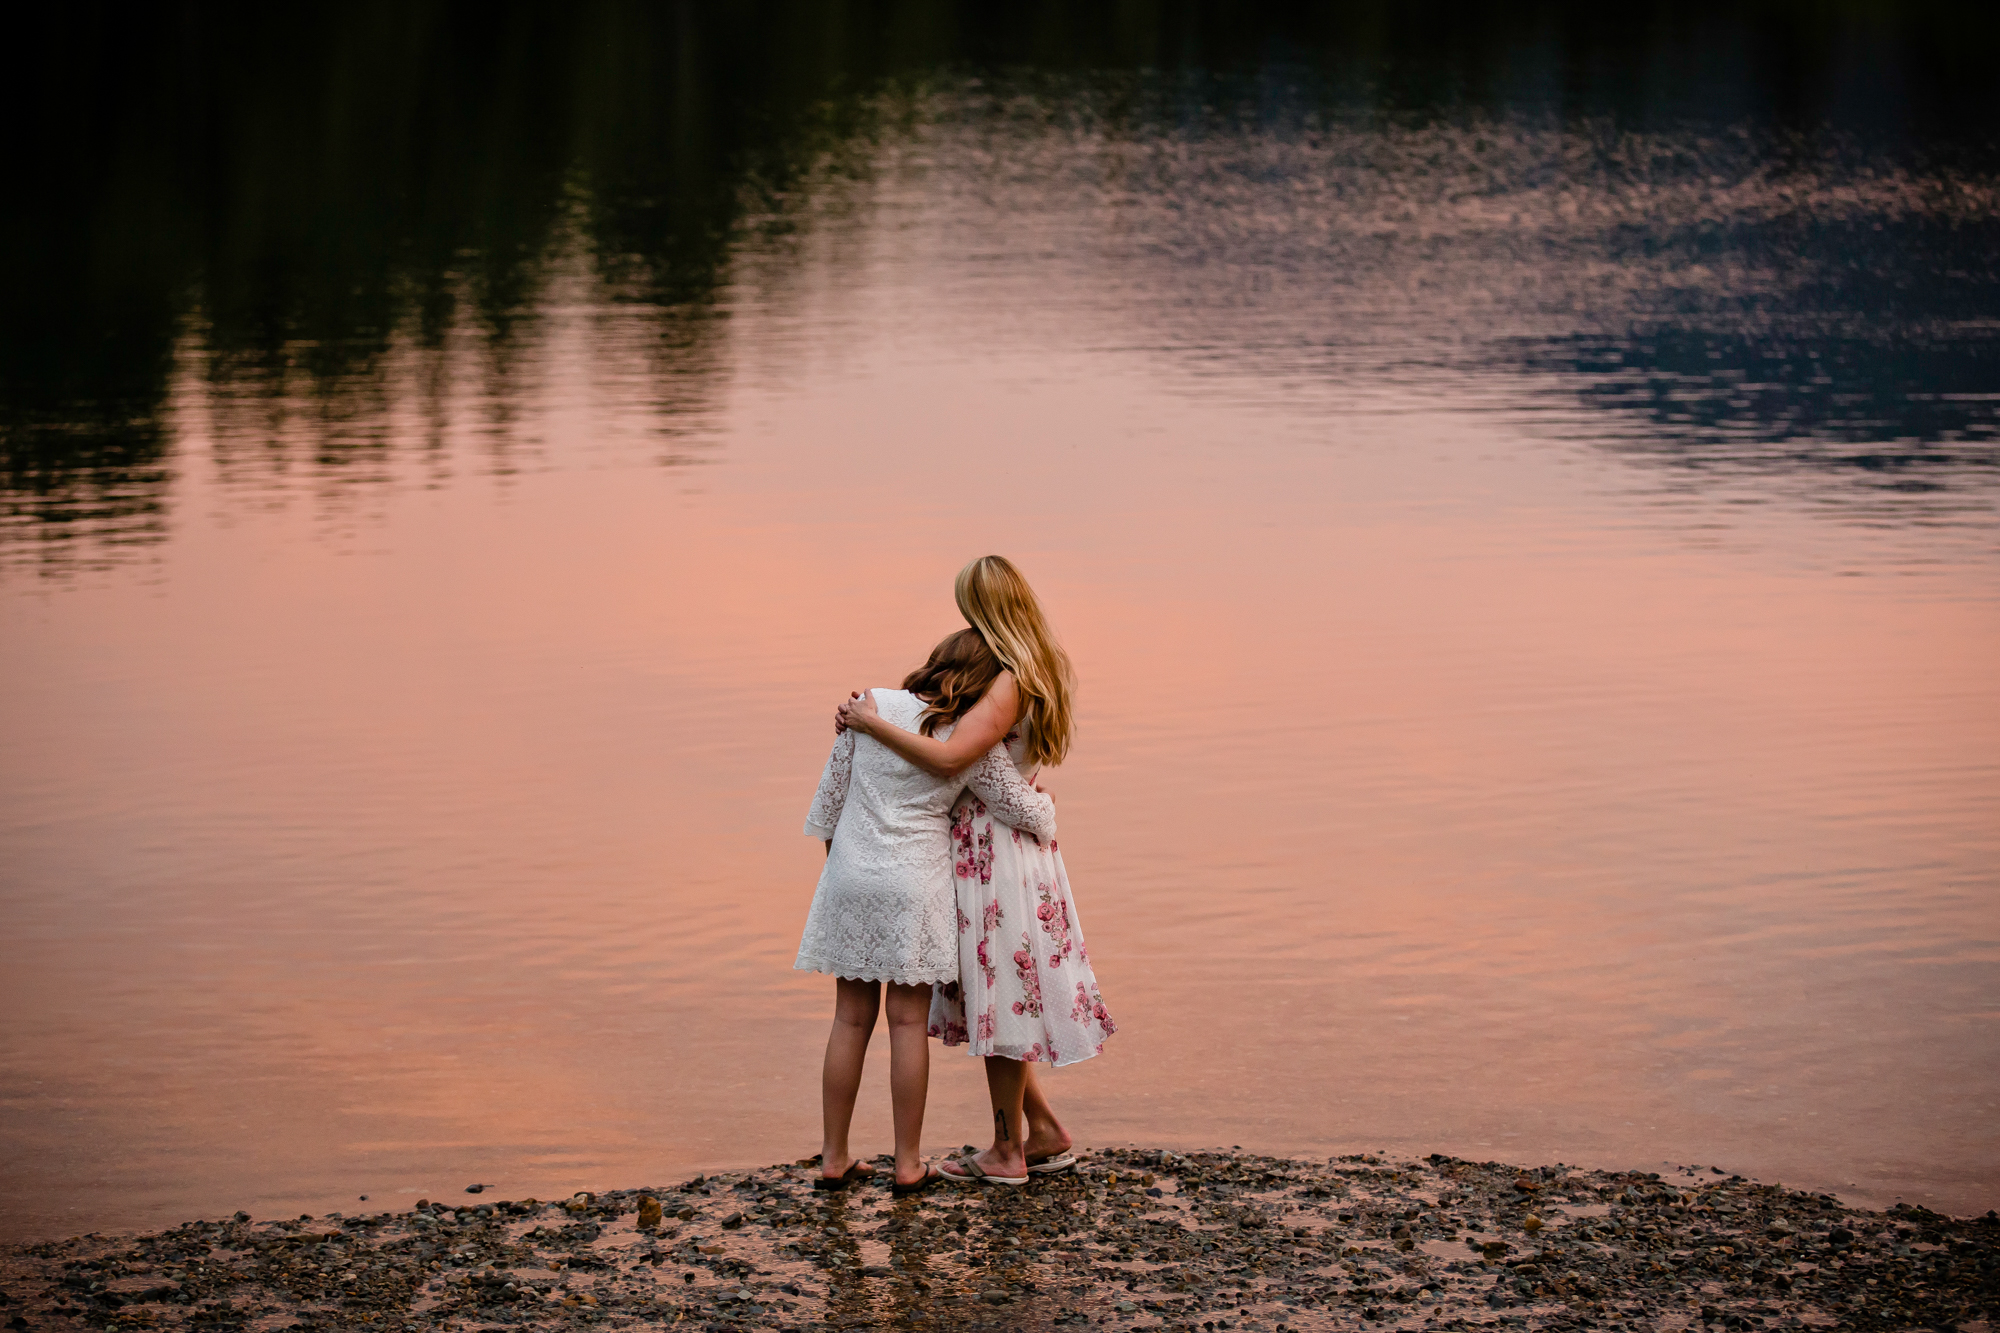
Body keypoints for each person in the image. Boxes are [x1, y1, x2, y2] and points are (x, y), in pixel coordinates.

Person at [836, 555, 1115, 1187]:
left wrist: (870, 724)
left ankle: (1005, 1151)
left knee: (1003, 1003)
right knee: (1004, 999)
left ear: (985, 609)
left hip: (993, 852)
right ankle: (1039, 1130)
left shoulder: (1009, 679)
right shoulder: (1037, 667)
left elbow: (953, 758)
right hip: (1009, 848)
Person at [797, 627, 1057, 1196]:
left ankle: (835, 1157)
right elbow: (1021, 810)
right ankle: (908, 1163)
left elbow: (827, 805)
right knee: (908, 1022)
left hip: (850, 875)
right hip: (915, 884)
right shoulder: (967, 741)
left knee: (849, 1019)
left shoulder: (868, 709)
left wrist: (845, 872)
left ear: (935, 664)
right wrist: (1045, 803)